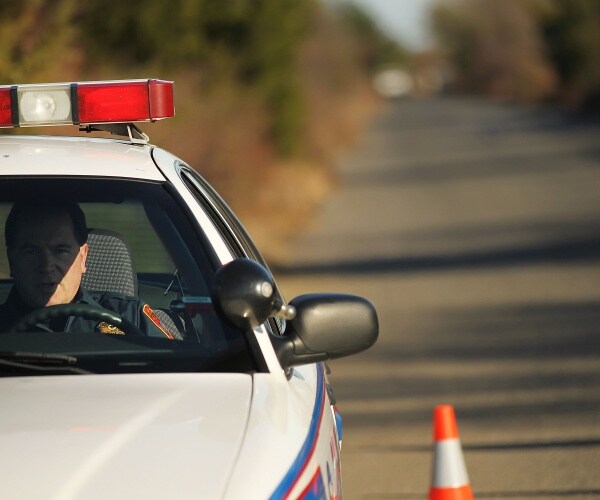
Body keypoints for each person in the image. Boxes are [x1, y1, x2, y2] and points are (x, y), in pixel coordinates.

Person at [0, 201, 176, 338]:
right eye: (31, 252)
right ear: (11, 260)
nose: (46, 267)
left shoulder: (130, 317)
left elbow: (175, 374)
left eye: (60, 251)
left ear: (83, 257)